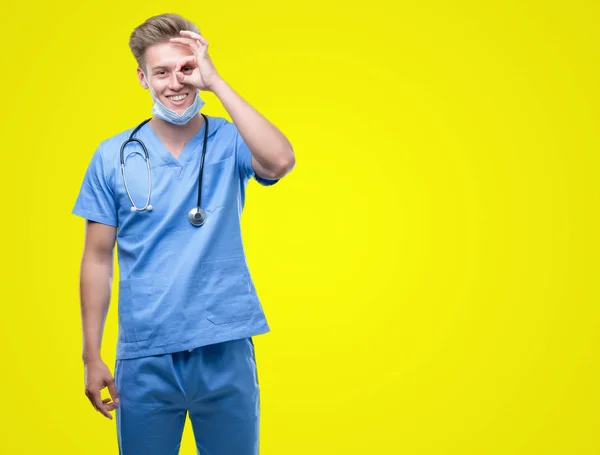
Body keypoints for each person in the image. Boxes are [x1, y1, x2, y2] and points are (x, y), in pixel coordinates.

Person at [72, 13, 295, 455]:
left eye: (186, 68)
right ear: (143, 78)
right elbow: (97, 258)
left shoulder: (230, 140)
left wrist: (217, 82)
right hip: (146, 353)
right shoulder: (112, 154)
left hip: (224, 346)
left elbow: (280, 161)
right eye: (161, 72)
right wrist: (91, 355)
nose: (176, 82)